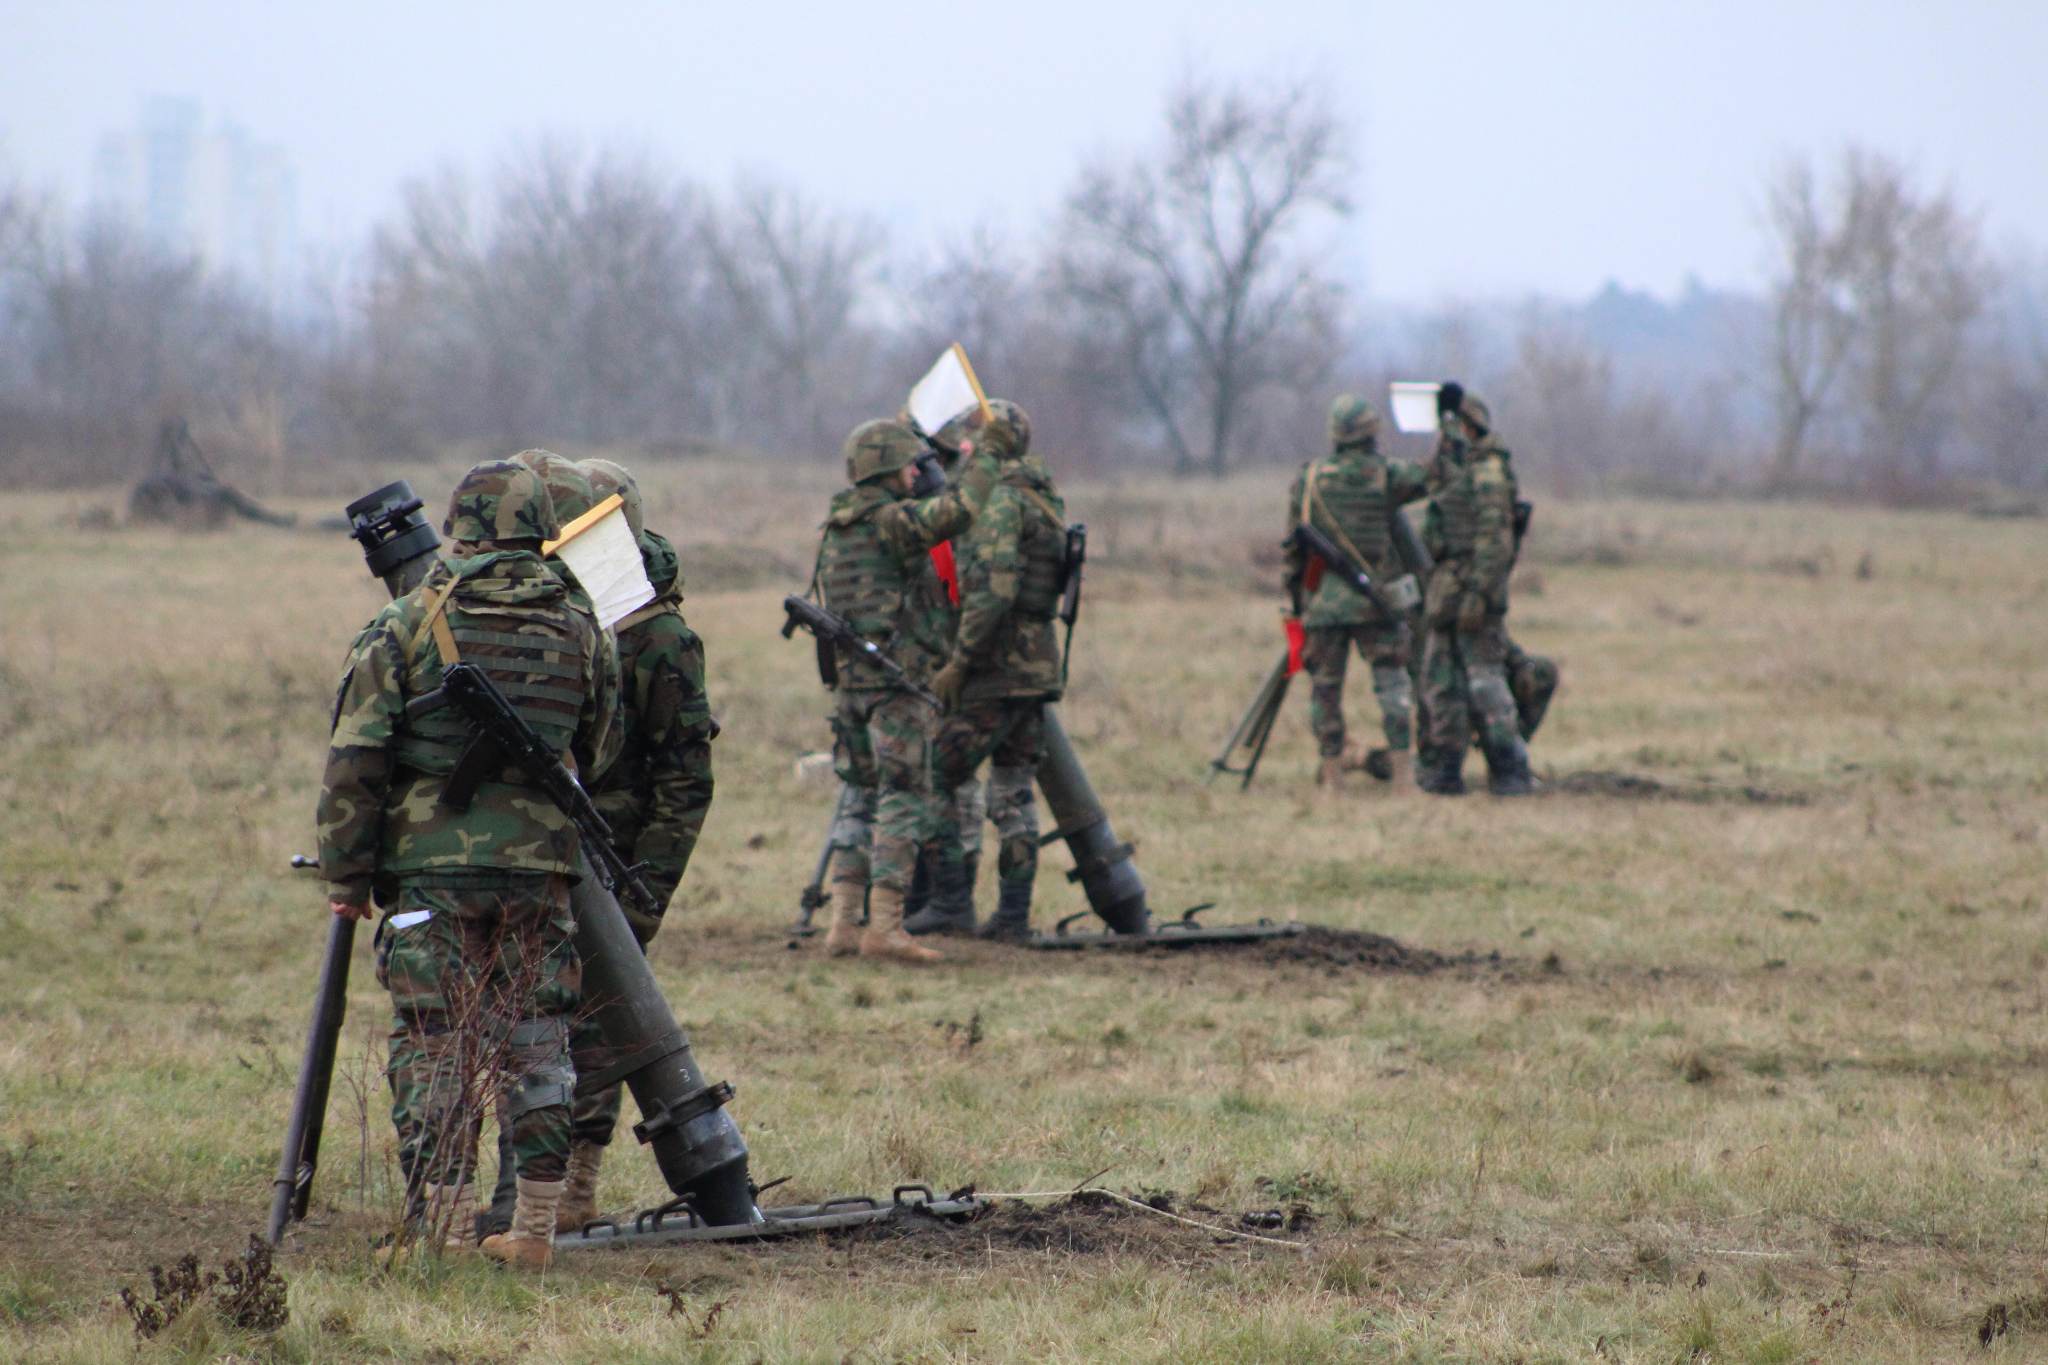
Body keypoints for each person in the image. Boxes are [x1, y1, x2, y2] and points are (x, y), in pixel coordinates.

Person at [316, 458, 622, 1269]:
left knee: (434, 1040)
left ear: (461, 527)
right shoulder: (582, 622)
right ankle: (534, 1231)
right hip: (541, 873)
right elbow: (601, 745)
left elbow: (356, 761)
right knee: (537, 1041)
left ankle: (446, 1234)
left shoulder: (407, 622)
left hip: (429, 879)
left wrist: (347, 880)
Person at [543, 455, 717, 1231]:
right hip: (541, 846)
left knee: (594, 1018)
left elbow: (687, 782)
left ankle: (574, 1183)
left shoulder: (659, 637)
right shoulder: (550, 610)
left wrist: (646, 892)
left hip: (614, 864)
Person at [812, 415, 1008, 961]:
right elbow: (961, 511)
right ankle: (886, 929)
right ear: (889, 470)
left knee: (860, 795)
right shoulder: (890, 523)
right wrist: (989, 455)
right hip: (895, 686)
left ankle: (843, 926)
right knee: (902, 799)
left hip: (852, 684)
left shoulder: (839, 527)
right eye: (908, 465)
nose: (914, 473)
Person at [911, 399, 1063, 940]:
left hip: (994, 669)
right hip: (1036, 667)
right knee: (1014, 791)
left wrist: (959, 663)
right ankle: (1013, 917)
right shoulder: (1040, 497)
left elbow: (993, 594)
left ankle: (952, 904)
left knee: (939, 772)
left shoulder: (999, 501)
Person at [1284, 394, 1428, 794]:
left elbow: (1294, 550)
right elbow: (1429, 476)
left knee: (1325, 691)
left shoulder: (1308, 479)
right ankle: (1403, 777)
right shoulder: (1386, 475)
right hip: (1374, 603)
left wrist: (1298, 605)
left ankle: (1332, 778)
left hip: (1325, 605)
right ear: (1371, 432)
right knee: (1393, 687)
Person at [1416, 387, 1533, 795]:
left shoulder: (1488, 473)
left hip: (1474, 593)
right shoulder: (1455, 468)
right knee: (1442, 685)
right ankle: (1444, 771)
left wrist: (1479, 596)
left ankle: (1510, 770)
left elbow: (1496, 541)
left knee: (1486, 684)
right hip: (1446, 592)